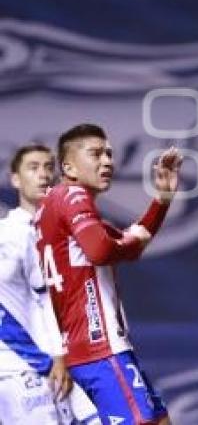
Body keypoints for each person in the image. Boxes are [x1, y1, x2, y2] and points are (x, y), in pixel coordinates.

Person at [35, 124, 181, 425]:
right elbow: (101, 251)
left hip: (94, 349)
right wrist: (127, 243)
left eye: (110, 154)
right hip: (99, 347)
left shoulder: (55, 204)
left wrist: (162, 199)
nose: (108, 162)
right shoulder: (73, 195)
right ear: (69, 167)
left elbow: (129, 241)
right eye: (96, 154)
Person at [0, 144, 99, 424]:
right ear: (15, 179)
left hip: (80, 358)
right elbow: (43, 304)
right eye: (33, 168)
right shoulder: (11, 235)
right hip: (31, 366)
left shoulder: (70, 232)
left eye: (48, 168)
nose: (43, 175)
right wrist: (56, 356)